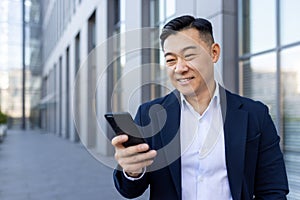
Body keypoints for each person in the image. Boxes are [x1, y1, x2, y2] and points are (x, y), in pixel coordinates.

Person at [111, 15, 289, 200]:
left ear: (214, 53)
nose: (179, 68)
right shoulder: (149, 114)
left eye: (189, 55)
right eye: (171, 60)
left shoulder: (255, 115)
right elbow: (129, 190)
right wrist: (132, 171)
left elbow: (272, 189)